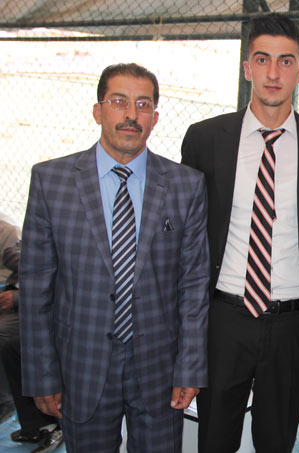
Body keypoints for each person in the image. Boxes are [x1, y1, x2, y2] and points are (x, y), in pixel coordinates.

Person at [20, 63, 210, 452]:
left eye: (143, 104)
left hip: (158, 369)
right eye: (119, 101)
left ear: (155, 118)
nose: (131, 114)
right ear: (98, 111)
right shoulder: (51, 181)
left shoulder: (186, 185)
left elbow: (194, 284)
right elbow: (36, 287)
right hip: (81, 365)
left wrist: (190, 366)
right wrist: (41, 375)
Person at [181, 13, 299, 453]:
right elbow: (187, 239)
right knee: (214, 440)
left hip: (293, 324)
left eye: (285, 61)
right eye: (262, 59)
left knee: (277, 441)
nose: (274, 73)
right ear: (246, 67)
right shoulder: (204, 139)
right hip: (223, 320)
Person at [1, 239, 64, 452]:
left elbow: (62, 281)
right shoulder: (39, 231)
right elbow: (10, 252)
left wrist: (18, 298)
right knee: (12, 349)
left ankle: (56, 422)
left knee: (28, 348)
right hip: (30, 305)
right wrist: (35, 259)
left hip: (58, 315)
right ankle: (36, 424)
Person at [0, 213, 20, 425]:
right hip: (13, 294)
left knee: (3, 332)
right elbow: (11, 254)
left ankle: (4, 400)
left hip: (27, 303)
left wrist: (17, 298)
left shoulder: (7, 230)